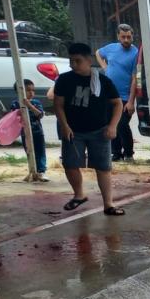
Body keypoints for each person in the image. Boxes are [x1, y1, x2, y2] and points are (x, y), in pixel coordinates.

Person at [54, 43, 124, 215]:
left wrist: (113, 126)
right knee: (70, 164)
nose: (73, 65)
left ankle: (109, 204)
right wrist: (64, 125)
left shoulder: (103, 81)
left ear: (88, 60)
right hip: (73, 130)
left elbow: (117, 104)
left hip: (99, 130)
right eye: (71, 61)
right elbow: (58, 105)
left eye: (78, 61)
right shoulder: (64, 80)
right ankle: (79, 195)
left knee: (103, 167)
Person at [96, 24, 139, 162]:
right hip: (109, 95)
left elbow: (134, 78)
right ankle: (116, 153)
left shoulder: (136, 53)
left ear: (132, 36)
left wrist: (131, 101)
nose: (126, 40)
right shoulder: (111, 48)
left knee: (122, 124)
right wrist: (104, 67)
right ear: (118, 37)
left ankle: (128, 153)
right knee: (111, 124)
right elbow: (98, 53)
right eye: (123, 37)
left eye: (128, 37)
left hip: (125, 96)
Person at [11, 78, 49, 182]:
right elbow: (14, 117)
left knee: (40, 152)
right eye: (28, 90)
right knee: (29, 152)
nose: (31, 93)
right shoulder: (15, 103)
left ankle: (41, 171)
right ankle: (32, 170)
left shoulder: (36, 102)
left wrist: (29, 105)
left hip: (37, 132)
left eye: (33, 90)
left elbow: (40, 115)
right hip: (25, 133)